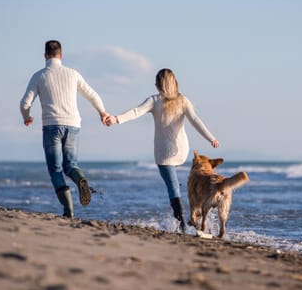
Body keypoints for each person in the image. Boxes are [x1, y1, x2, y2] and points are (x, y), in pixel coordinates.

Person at [105, 68, 219, 233]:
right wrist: (211, 138)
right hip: (181, 151)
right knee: (179, 184)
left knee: (173, 188)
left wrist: (116, 119)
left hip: (164, 153)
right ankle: (196, 216)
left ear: (157, 85)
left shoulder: (154, 100)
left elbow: (135, 112)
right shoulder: (183, 100)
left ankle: (181, 227)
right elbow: (195, 120)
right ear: (175, 83)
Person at [20, 40, 109, 218]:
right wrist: (102, 112)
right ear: (61, 55)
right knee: (71, 166)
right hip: (73, 125)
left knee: (56, 170)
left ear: (45, 56)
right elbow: (92, 94)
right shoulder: (73, 73)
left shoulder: (39, 76)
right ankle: (80, 179)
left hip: (51, 126)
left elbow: (25, 103)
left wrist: (27, 117)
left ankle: (68, 210)